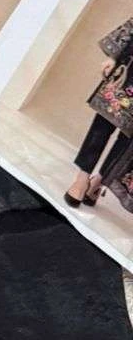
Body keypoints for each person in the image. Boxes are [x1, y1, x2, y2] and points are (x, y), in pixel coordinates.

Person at [64, 14, 133, 206]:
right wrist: (113, 56)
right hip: (129, 72)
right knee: (102, 124)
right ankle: (82, 178)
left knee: (127, 141)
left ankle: (97, 183)